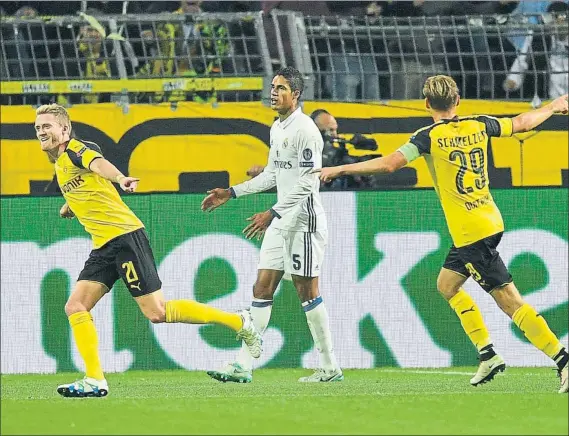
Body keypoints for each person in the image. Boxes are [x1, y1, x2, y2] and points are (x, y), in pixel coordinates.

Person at [316, 75, 569, 393]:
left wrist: (339, 169)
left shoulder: (427, 137)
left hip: (470, 233)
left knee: (509, 301)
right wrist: (554, 105)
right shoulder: (480, 124)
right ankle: (487, 354)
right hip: (488, 220)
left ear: (426, 104)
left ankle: (562, 360)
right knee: (447, 285)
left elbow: (391, 164)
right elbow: (521, 122)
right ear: (458, 100)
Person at [34, 103, 261, 398]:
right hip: (104, 245)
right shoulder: (62, 163)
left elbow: (99, 165)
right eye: (38, 127)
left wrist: (121, 178)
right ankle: (94, 379)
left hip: (124, 238)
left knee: (157, 312)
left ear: (64, 129)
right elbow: (89, 181)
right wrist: (70, 204)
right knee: (75, 306)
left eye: (47, 126)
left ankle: (239, 321)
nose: (41, 131)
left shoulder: (75, 149)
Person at [201, 67, 343, 383]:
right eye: (272, 87)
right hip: (281, 221)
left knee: (307, 292)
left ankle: (330, 366)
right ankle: (243, 365)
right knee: (262, 288)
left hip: (303, 222)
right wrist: (232, 192)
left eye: (280, 88)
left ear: (296, 94)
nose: (273, 92)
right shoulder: (277, 128)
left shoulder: (306, 130)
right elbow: (272, 174)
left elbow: (309, 181)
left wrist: (272, 213)